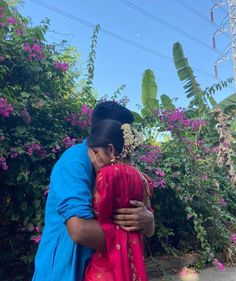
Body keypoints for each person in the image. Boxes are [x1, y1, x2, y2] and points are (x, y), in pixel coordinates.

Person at [32, 101, 154, 281]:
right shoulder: (75, 160)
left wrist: (149, 223)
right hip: (65, 270)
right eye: (124, 135)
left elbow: (144, 219)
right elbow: (79, 230)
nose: (127, 143)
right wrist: (131, 239)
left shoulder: (120, 169)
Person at [84, 119, 154, 281]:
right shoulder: (143, 179)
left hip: (108, 263)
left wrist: (98, 179)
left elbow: (98, 213)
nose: (92, 158)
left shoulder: (108, 174)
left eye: (95, 152)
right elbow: (148, 225)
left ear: (110, 149)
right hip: (134, 258)